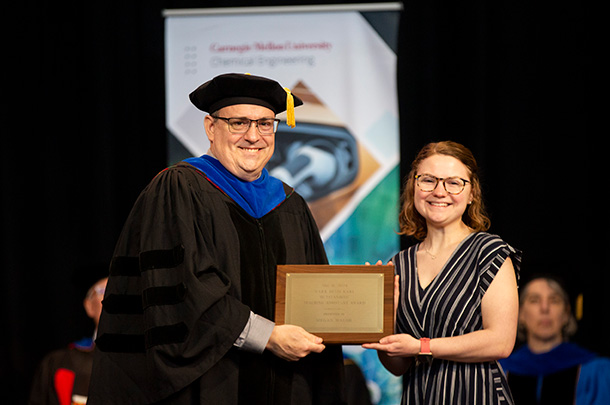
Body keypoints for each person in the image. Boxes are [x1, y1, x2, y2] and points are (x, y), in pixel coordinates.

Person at [87, 73, 346, 404]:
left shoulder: (290, 204)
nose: (254, 136)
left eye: (266, 124)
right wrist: (267, 337)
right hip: (208, 386)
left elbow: (314, 295)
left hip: (285, 384)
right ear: (211, 127)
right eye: (238, 123)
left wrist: (364, 302)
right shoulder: (179, 189)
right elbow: (184, 291)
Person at [362, 140, 521, 404]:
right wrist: (382, 318)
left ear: (472, 194)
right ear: (414, 186)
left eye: (453, 182)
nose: (439, 191)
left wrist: (421, 347)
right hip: (419, 395)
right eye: (428, 180)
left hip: (474, 394)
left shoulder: (489, 252)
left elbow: (501, 342)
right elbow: (397, 366)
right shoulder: (399, 263)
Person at [499, 275, 610, 404]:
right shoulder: (502, 371)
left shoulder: (595, 371)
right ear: (521, 313)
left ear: (566, 313)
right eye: (534, 300)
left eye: (554, 300)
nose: (545, 308)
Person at [28, 276, 108, 405]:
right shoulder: (57, 363)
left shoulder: (146, 360)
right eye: (105, 291)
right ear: (89, 306)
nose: (113, 297)